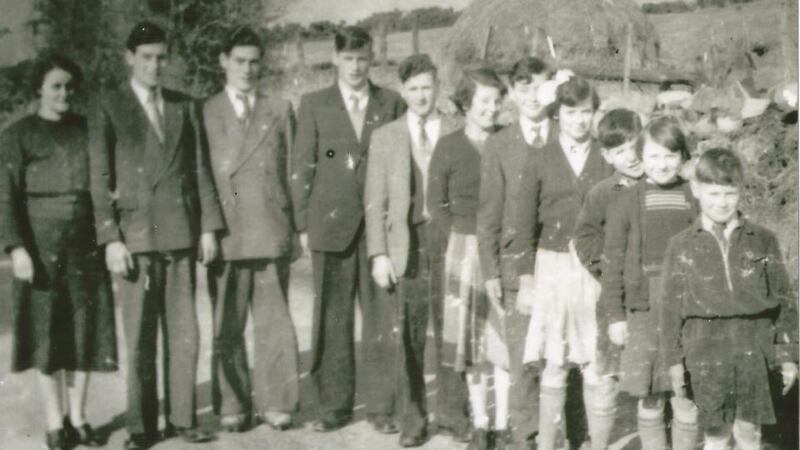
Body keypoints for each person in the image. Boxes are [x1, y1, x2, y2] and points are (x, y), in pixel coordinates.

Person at [88, 21, 224, 450]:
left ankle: (183, 419)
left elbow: (201, 169)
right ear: (130, 58)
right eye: (146, 57)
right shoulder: (109, 106)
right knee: (141, 337)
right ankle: (142, 426)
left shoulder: (185, 105)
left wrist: (208, 227)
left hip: (181, 234)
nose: (154, 65)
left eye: (161, 57)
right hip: (137, 239)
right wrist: (110, 238)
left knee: (185, 333)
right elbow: (99, 177)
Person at [290, 25, 406, 432]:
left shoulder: (390, 103)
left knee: (380, 321)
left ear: (371, 58)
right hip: (331, 229)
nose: (356, 67)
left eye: (362, 58)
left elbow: (401, 168)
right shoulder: (314, 104)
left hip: (379, 233)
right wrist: (302, 224)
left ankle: (382, 408)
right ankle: (334, 407)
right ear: (335, 59)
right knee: (332, 320)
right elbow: (302, 167)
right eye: (349, 59)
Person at [0, 54, 117, 450]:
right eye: (55, 86)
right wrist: (16, 248)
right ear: (38, 89)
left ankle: (79, 416)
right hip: (41, 248)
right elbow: (5, 198)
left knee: (86, 332)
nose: (64, 93)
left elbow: (105, 184)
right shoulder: (18, 135)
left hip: (86, 247)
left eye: (69, 86)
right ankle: (54, 420)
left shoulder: (88, 130)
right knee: (47, 333)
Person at [659, 148, 798, 450]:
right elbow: (670, 310)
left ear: (740, 191)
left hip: (753, 346)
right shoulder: (681, 244)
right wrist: (673, 362)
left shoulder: (762, 239)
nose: (721, 202)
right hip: (706, 349)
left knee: (749, 431)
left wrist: (787, 356)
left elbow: (784, 301)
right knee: (716, 433)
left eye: (729, 193)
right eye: (713, 193)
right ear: (696, 190)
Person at [365, 53, 467, 447]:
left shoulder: (455, 129)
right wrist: (378, 254)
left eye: (428, 87)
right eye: (414, 89)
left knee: (451, 330)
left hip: (450, 241)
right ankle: (413, 420)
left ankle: (453, 416)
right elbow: (375, 201)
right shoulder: (386, 136)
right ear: (402, 90)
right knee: (407, 334)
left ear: (437, 86)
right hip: (405, 245)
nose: (422, 96)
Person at [203, 26, 300, 433]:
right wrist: (207, 229)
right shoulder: (205, 112)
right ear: (223, 61)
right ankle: (232, 402)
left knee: (274, 324)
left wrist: (297, 228)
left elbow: (294, 171)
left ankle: (277, 401)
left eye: (254, 61)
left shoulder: (279, 109)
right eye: (239, 61)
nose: (247, 69)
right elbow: (201, 176)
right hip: (227, 233)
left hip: (270, 228)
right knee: (227, 324)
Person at [511, 75, 613, 450]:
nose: (579, 120)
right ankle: (549, 443)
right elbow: (522, 224)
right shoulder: (539, 159)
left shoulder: (606, 157)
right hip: (551, 268)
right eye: (571, 112)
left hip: (594, 270)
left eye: (586, 112)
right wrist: (525, 280)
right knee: (554, 361)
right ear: (558, 114)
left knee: (596, 362)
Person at [599, 116, 698, 450]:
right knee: (651, 394)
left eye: (671, 155)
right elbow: (612, 263)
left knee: (686, 393)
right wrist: (615, 315)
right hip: (644, 309)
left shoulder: (692, 198)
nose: (663, 164)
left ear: (683, 157)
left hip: (686, 308)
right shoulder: (627, 201)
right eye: (654, 156)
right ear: (642, 157)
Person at [476, 56, 557, 450]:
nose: (532, 96)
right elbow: (489, 212)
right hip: (514, 270)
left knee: (562, 356)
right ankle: (525, 435)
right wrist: (491, 270)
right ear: (511, 93)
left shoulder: (566, 133)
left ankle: (564, 432)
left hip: (561, 265)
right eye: (523, 88)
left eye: (540, 86)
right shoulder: (499, 143)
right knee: (523, 358)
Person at [427, 67, 507, 450]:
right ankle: (480, 423)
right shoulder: (449, 146)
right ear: (465, 104)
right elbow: (435, 203)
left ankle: (504, 423)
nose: (491, 108)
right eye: (483, 101)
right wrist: (459, 240)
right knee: (471, 343)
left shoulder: (507, 142)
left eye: (496, 101)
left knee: (503, 340)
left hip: (503, 250)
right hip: (462, 249)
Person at [572, 108, 644, 450]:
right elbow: (584, 237)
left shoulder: (661, 184)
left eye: (635, 145)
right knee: (606, 372)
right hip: (614, 295)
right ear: (606, 156)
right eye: (619, 151)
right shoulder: (603, 193)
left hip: (652, 296)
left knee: (649, 370)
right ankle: (599, 441)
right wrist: (610, 268)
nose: (630, 157)